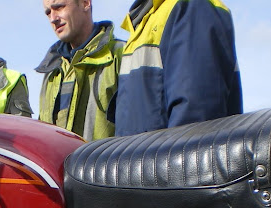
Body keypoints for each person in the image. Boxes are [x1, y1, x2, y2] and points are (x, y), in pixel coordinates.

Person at [115, 0, 243, 137]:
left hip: (167, 157)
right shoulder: (144, 22)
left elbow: (194, 132)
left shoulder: (191, 7)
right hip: (143, 157)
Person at [36, 0, 124, 141]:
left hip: (104, 162)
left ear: (85, 3)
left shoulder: (122, 56)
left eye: (59, 7)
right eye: (48, 12)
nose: (53, 18)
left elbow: (138, 128)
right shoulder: (52, 71)